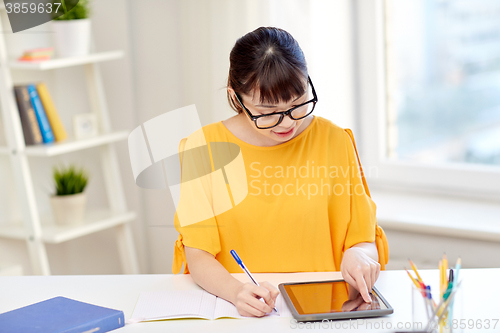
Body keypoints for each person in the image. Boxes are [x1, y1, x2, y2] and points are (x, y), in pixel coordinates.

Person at [172, 26, 389, 318]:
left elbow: (362, 238)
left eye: (298, 103)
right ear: (236, 98)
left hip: (321, 310)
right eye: (267, 111)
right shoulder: (204, 148)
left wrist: (360, 255)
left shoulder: (335, 141)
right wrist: (236, 291)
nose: (287, 122)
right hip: (238, 313)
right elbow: (197, 255)